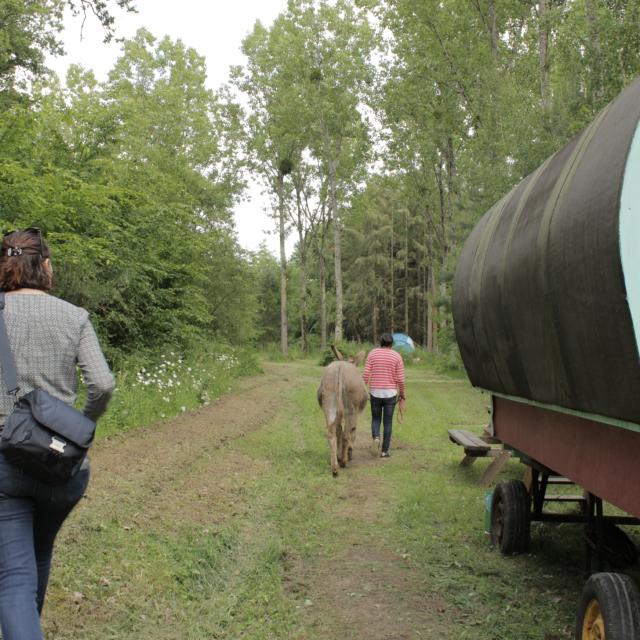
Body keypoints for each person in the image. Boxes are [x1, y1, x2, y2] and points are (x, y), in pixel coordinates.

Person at [0, 228, 115, 640]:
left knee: (13, 577)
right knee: (40, 551)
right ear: (45, 266)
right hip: (61, 461)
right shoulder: (73, 316)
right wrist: (80, 425)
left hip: (4, 462)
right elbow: (102, 384)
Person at [362, 333, 406, 459]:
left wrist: (362, 387)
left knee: (376, 419)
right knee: (388, 422)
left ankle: (376, 437)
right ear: (391, 344)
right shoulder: (397, 356)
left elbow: (365, 374)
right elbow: (401, 379)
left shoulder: (372, 354)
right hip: (390, 393)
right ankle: (384, 451)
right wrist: (402, 395)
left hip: (375, 392)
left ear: (380, 342)